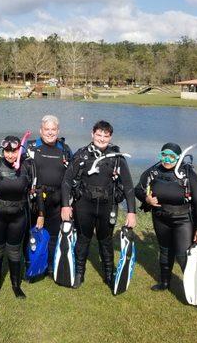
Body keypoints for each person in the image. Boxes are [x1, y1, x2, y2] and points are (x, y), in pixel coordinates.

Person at [61, 120, 136, 290]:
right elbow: (66, 181)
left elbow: (129, 186)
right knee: (83, 239)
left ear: (110, 137)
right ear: (92, 134)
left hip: (106, 206)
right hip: (84, 204)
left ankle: (109, 274)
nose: (101, 139)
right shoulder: (81, 155)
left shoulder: (117, 158)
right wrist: (66, 205)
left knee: (106, 240)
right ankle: (79, 273)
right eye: (99, 134)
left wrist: (132, 212)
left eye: (105, 136)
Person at [135, 143, 197, 297]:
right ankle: (165, 282)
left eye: (172, 156)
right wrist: (146, 199)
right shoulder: (154, 171)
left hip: (183, 220)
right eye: (164, 155)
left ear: (179, 158)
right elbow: (138, 189)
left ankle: (194, 291)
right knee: (165, 251)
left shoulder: (187, 173)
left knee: (182, 254)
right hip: (160, 217)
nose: (167, 159)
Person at [0, 135, 37, 298]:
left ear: (20, 149)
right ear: (3, 150)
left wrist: (41, 214)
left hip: (19, 215)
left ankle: (16, 286)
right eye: (7, 151)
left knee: (15, 250)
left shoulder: (28, 165)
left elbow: (36, 190)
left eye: (14, 151)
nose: (10, 155)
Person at [26, 115, 72, 277]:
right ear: (41, 130)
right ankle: (31, 262)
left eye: (53, 129)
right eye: (47, 129)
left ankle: (50, 265)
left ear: (58, 131)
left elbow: (71, 177)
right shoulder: (31, 147)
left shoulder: (65, 149)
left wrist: (68, 203)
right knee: (34, 232)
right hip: (35, 199)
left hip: (57, 199)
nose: (50, 133)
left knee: (53, 234)